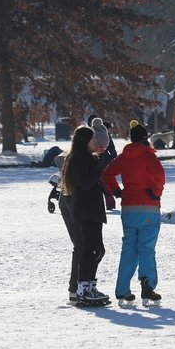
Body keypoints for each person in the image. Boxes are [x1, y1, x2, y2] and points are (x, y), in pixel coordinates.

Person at [101, 121, 165, 305]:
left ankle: (122, 290)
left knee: (129, 248)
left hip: (128, 208)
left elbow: (107, 174)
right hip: (148, 207)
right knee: (146, 248)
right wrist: (156, 192)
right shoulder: (148, 156)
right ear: (146, 139)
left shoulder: (123, 157)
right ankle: (148, 285)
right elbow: (160, 175)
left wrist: (117, 191)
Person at [60, 125, 110, 306]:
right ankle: (83, 290)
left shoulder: (85, 158)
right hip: (86, 209)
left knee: (96, 249)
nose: (95, 143)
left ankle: (87, 286)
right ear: (84, 141)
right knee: (91, 250)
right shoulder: (80, 159)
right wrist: (100, 166)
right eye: (93, 139)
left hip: (91, 209)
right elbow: (86, 182)